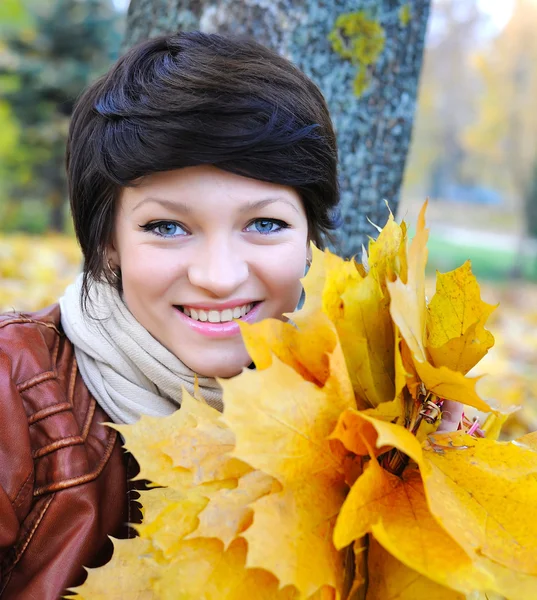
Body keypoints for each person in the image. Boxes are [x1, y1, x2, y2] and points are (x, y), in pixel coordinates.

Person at [0, 31, 339, 599]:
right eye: (167, 227)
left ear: (309, 240)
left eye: (265, 224)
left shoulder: (357, 414)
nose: (219, 276)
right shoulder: (15, 393)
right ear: (109, 243)